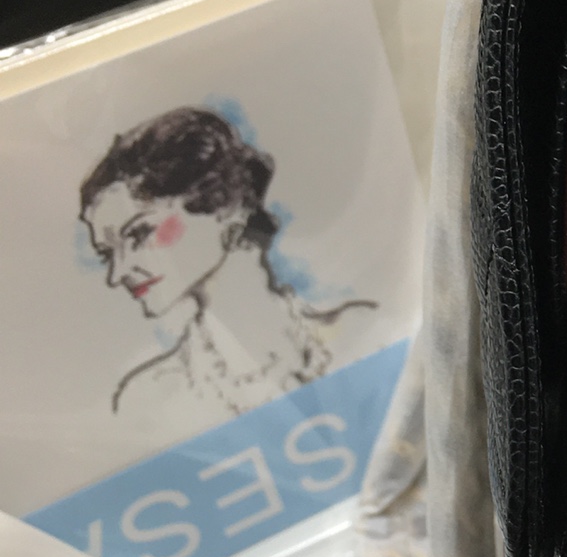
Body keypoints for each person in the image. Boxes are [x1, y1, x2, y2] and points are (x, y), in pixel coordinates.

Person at [79, 105, 373, 417]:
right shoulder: (147, 399)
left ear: (224, 208)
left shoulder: (363, 328)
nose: (117, 274)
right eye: (106, 254)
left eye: (139, 234)